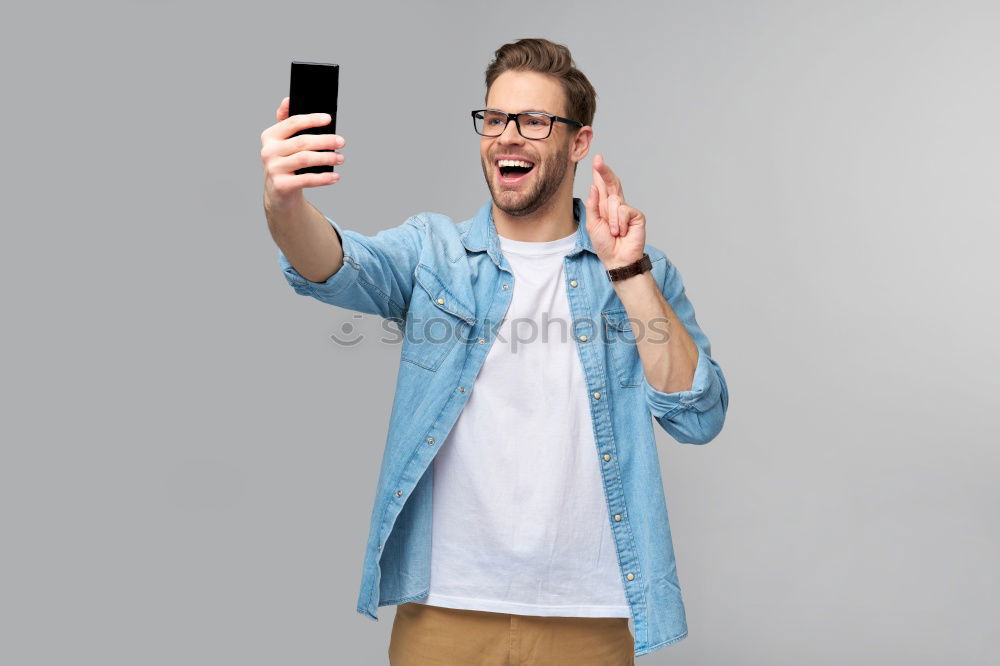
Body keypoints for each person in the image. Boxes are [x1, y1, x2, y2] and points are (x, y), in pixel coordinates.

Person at [260, 37, 729, 664]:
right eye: (495, 118)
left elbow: (698, 417)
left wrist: (630, 273)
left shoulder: (641, 271)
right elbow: (337, 263)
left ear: (578, 142)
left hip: (588, 616)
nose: (508, 135)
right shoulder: (435, 253)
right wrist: (284, 203)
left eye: (535, 121)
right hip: (445, 610)